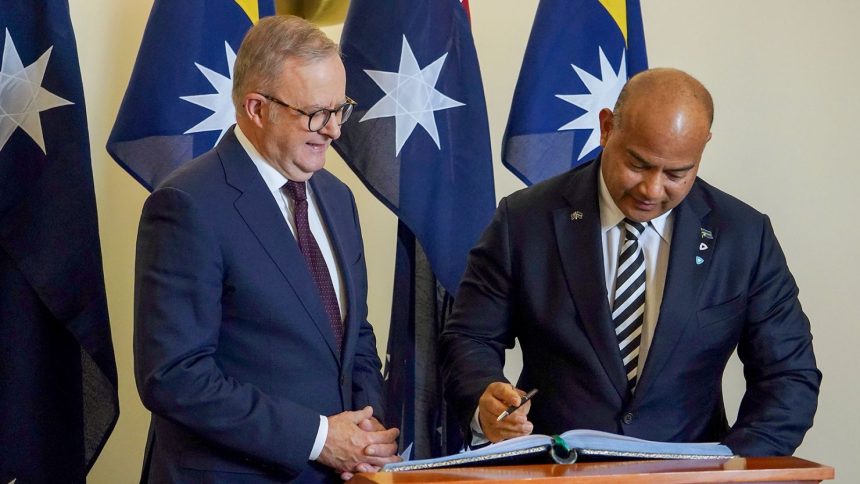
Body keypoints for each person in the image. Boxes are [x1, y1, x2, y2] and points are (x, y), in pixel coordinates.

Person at [440, 68, 821, 456]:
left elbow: (789, 375)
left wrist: (732, 468)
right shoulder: (524, 220)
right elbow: (470, 338)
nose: (652, 190)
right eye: (638, 165)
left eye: (677, 173)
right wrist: (484, 399)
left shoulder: (743, 235)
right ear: (606, 129)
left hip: (694, 480)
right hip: (554, 471)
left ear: (702, 149)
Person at [134, 16, 399, 482]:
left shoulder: (337, 198)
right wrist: (320, 438)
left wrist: (366, 426)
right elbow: (175, 376)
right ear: (257, 108)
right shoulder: (187, 204)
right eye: (317, 113)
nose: (335, 130)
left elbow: (352, 334)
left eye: (341, 109)